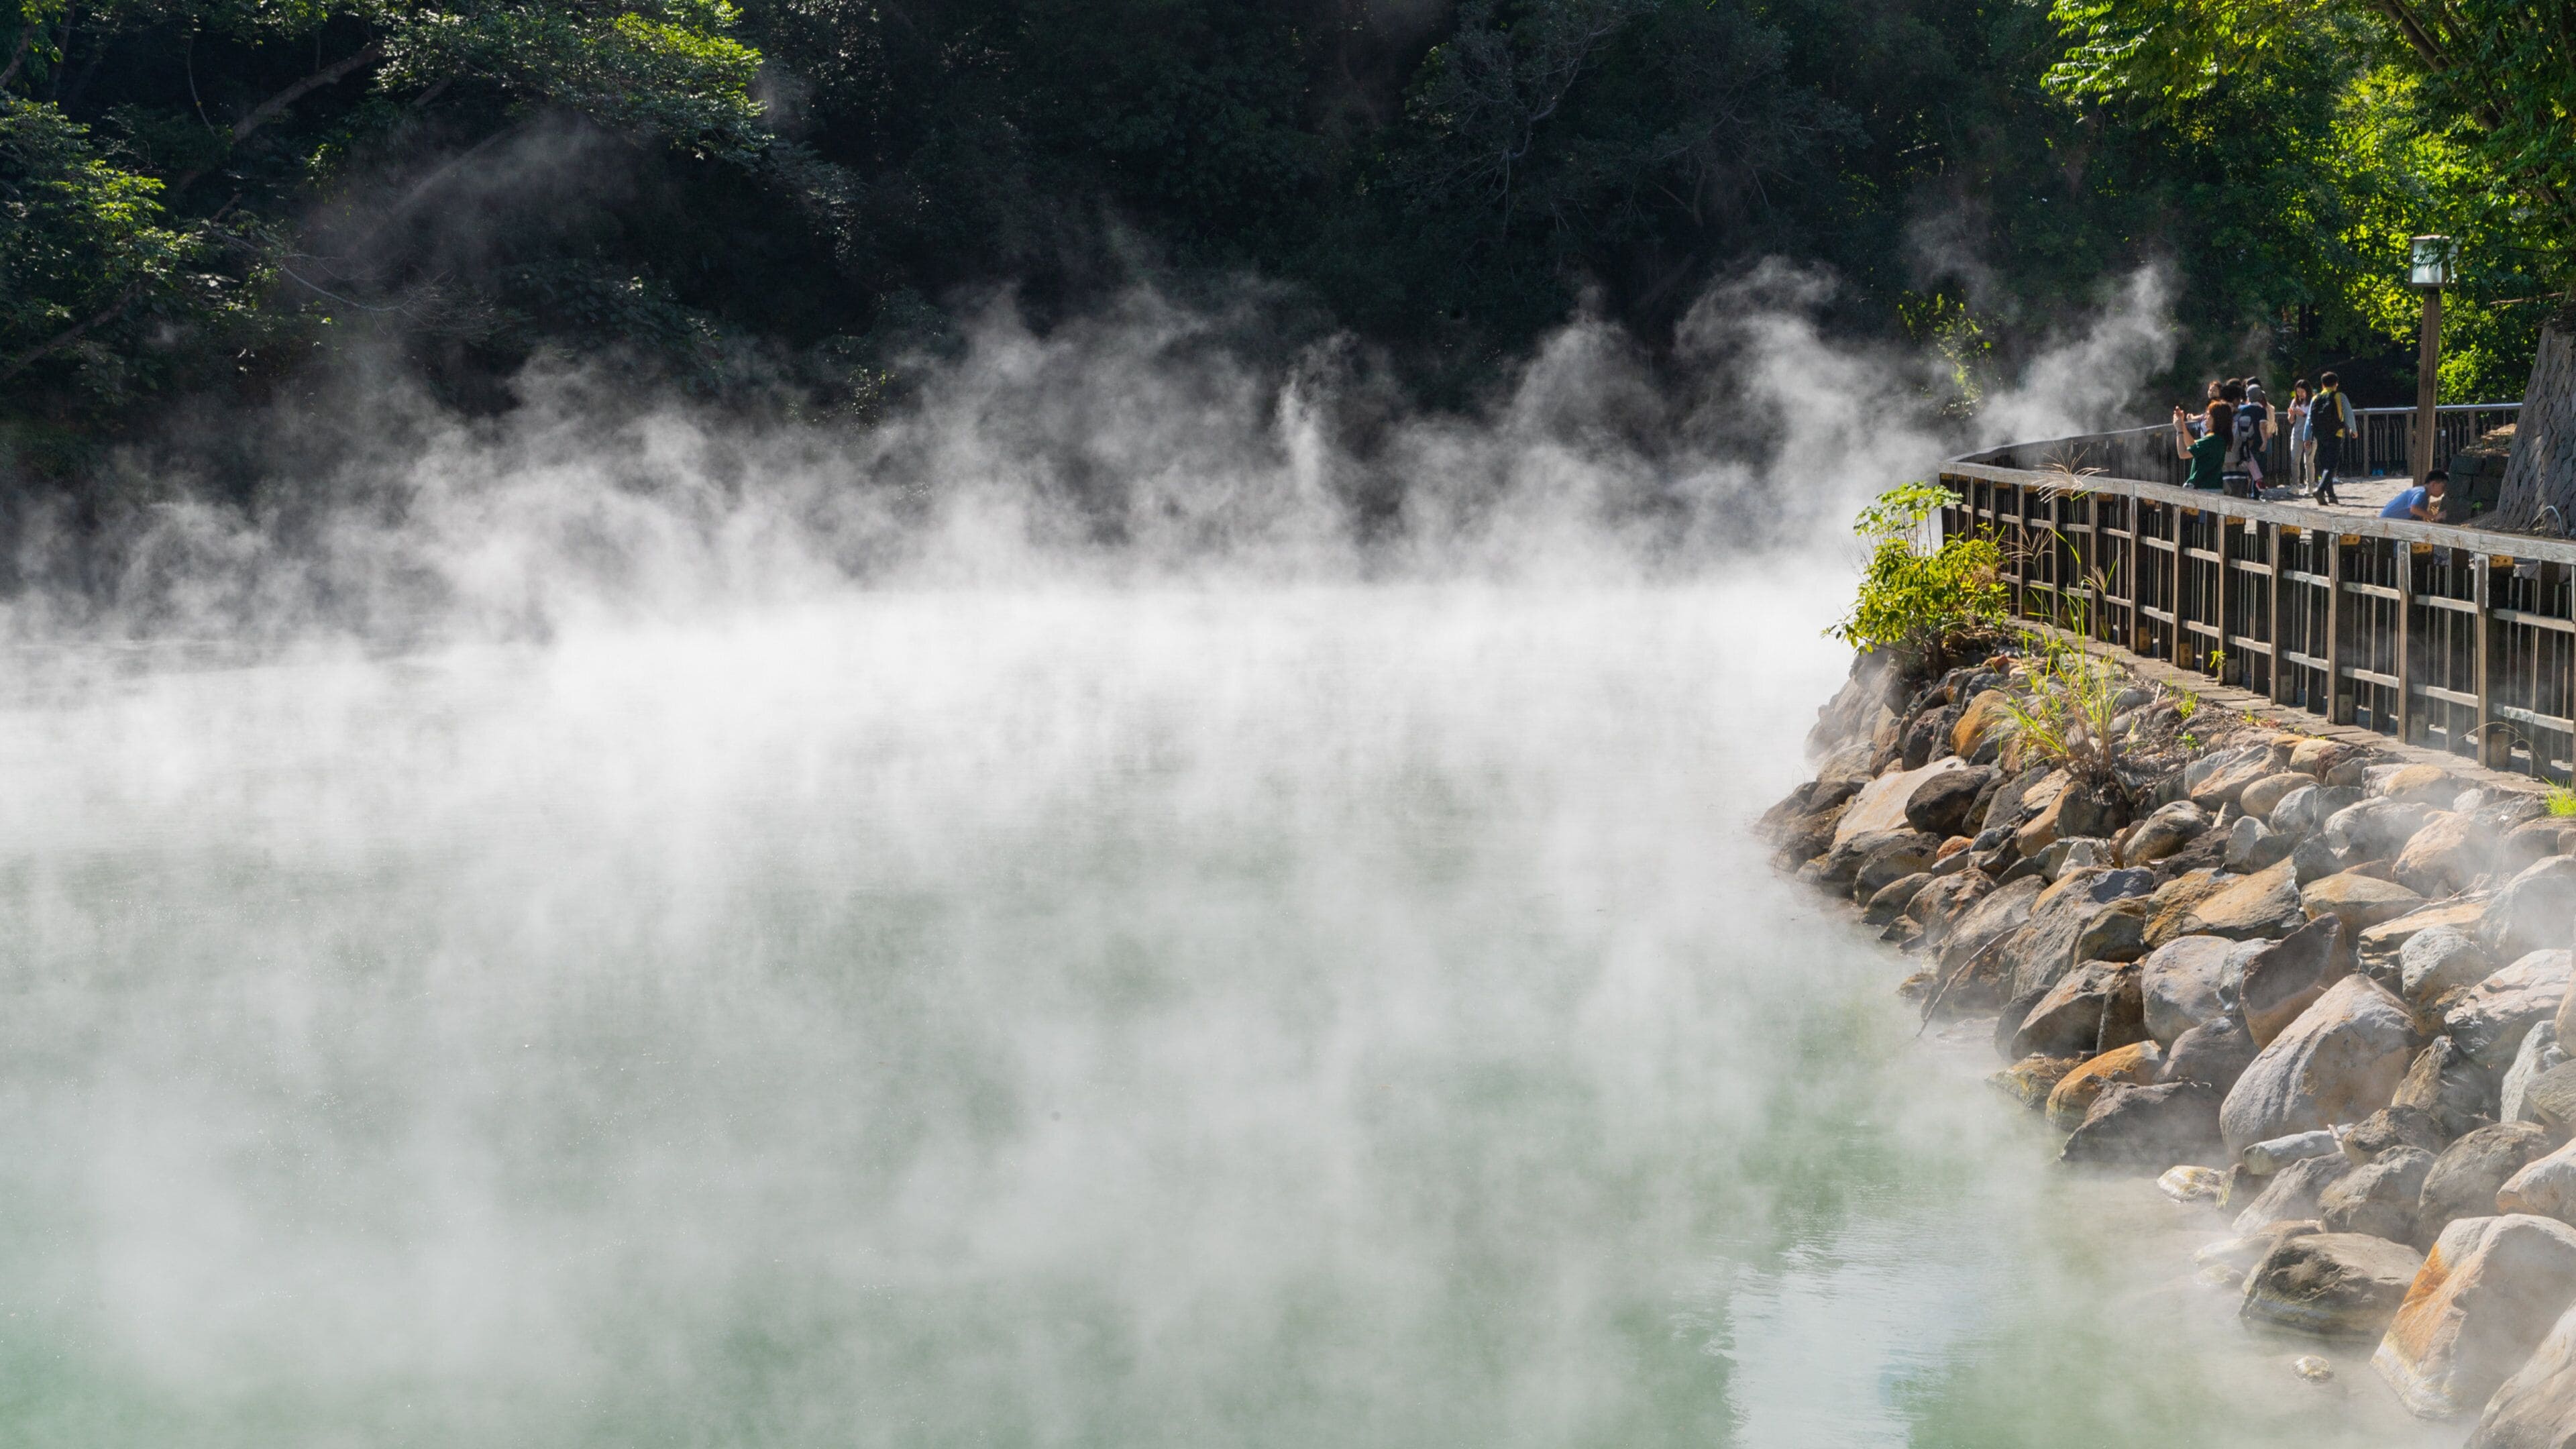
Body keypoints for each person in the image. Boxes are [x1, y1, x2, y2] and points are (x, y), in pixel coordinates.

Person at [2312, 371, 2356, 504]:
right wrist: (2353, 430)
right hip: (2336, 434)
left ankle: (2331, 495)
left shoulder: (2316, 398)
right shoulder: (2340, 396)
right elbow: (2348, 414)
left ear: (2322, 384)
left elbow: (2310, 419)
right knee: (2331, 465)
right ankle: (2320, 490)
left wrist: (2307, 437)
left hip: (2320, 435)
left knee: (2325, 465)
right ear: (2336, 384)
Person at [2174, 400, 2232, 491]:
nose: (2205, 417)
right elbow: (2192, 444)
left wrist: (2179, 431)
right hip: (2213, 488)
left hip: (2204, 489)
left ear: (2217, 419)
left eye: (2208, 414)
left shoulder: (2212, 440)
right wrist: (2182, 424)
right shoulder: (2219, 439)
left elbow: (2183, 454)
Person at [2380, 469, 2449, 521]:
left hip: (2395, 521)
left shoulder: (2425, 497)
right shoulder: (2422, 493)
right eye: (2443, 487)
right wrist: (2434, 517)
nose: (2444, 491)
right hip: (2387, 522)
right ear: (2433, 484)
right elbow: (2414, 509)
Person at [2287, 382, 2314, 494]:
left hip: (2310, 434)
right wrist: (2292, 414)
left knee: (2308, 461)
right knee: (2294, 460)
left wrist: (2303, 414)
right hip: (2297, 433)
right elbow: (2291, 420)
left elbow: (2314, 418)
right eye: (2298, 392)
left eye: (2302, 392)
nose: (2300, 395)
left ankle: (2310, 486)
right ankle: (2295, 485)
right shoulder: (2295, 401)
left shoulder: (2313, 401)